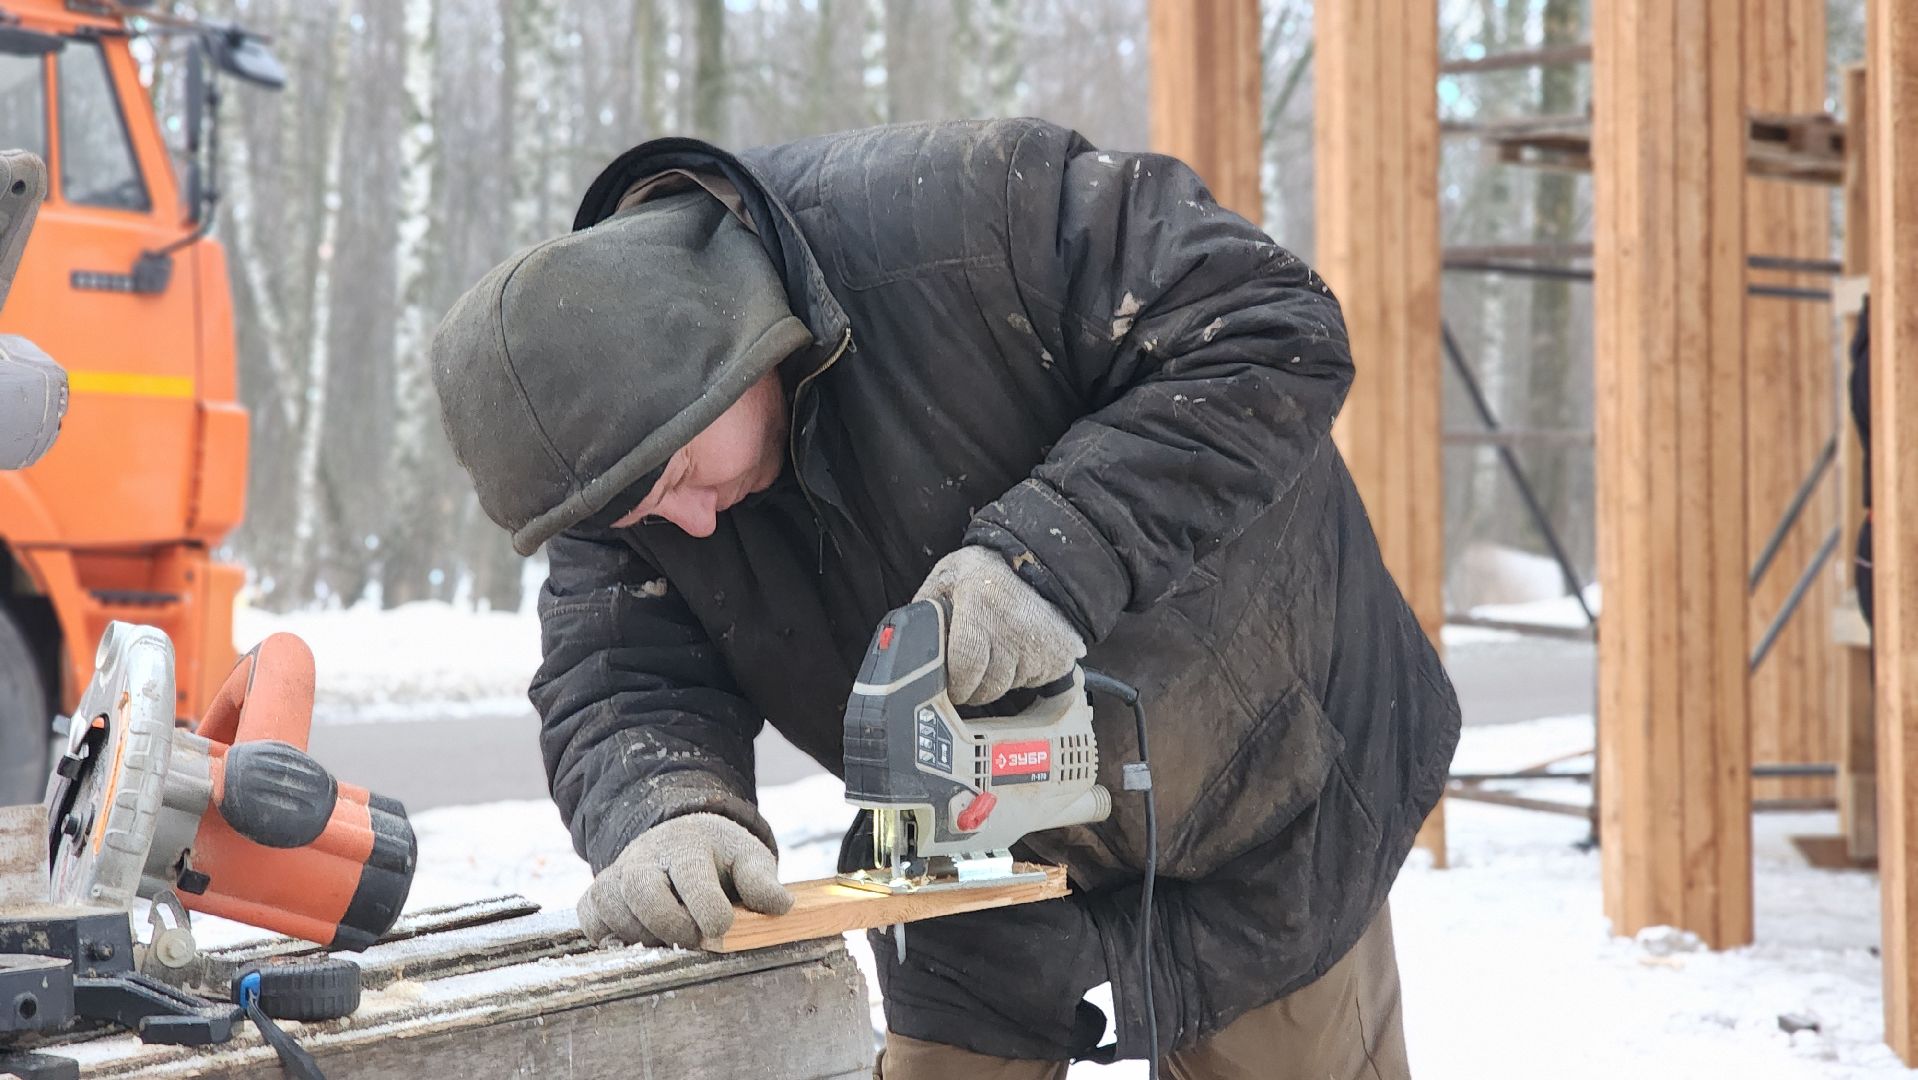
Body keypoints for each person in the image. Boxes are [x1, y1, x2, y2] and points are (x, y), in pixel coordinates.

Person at [431, 118, 1460, 1080]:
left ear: (717, 359)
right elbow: (616, 676)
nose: (689, 525)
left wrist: (1052, 555)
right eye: (647, 515)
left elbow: (1267, 329)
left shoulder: (972, 220)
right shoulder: (615, 476)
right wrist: (665, 814)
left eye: (683, 478)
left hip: (1263, 794)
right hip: (959, 861)